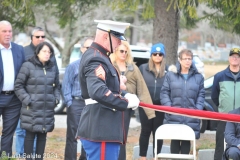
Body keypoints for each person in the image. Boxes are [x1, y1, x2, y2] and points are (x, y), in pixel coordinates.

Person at [77, 20, 140, 160]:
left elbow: (108, 88)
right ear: (106, 36)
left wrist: (126, 94)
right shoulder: (96, 59)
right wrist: (125, 102)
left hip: (104, 128)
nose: (119, 44)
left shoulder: (101, 56)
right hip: (102, 129)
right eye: (117, 39)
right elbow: (98, 92)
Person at [14, 42, 60, 160]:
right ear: (38, 52)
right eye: (44, 51)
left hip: (47, 108)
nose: (47, 54)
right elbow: (18, 85)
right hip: (32, 108)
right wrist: (28, 100)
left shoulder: (52, 67)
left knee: (42, 135)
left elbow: (56, 86)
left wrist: (55, 99)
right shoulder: (28, 66)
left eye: (49, 52)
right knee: (30, 135)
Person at [110, 40, 155, 160]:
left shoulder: (133, 68)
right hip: (110, 106)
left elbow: (142, 89)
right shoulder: (109, 65)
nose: (124, 53)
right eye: (121, 51)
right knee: (110, 137)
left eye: (126, 51)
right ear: (115, 51)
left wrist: (150, 112)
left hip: (126, 108)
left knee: (122, 137)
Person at [160, 49, 205, 155]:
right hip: (174, 115)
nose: (187, 61)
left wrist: (197, 110)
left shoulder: (198, 77)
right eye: (185, 59)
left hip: (191, 116)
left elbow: (201, 95)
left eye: (190, 59)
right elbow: (164, 92)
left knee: (186, 142)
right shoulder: (171, 75)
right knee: (175, 142)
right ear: (179, 60)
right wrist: (169, 107)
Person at [15, 26, 49, 157]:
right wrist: (26, 99)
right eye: (37, 37)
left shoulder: (48, 53)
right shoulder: (23, 52)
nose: (40, 39)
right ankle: (19, 155)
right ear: (31, 38)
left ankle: (33, 155)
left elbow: (55, 79)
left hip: (41, 104)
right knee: (21, 131)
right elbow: (19, 78)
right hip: (24, 100)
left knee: (38, 132)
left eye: (43, 36)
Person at [62, 37, 93, 160]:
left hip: (91, 104)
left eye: (93, 48)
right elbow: (66, 86)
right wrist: (69, 103)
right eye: (87, 48)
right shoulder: (73, 66)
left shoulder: (97, 67)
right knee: (73, 135)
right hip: (76, 103)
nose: (90, 50)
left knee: (89, 135)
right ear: (81, 49)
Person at [0, 20, 25, 156]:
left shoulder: (18, 49)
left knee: (8, 133)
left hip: (14, 100)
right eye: (4, 31)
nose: (8, 34)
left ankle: (5, 158)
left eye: (10, 31)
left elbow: (24, 72)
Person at [138, 43, 167, 159]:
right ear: (151, 55)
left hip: (160, 106)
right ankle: (143, 156)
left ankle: (157, 156)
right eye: (155, 54)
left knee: (158, 132)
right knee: (145, 131)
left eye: (160, 54)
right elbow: (138, 85)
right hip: (146, 105)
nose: (157, 56)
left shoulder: (168, 70)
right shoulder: (143, 68)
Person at [211, 48, 240, 160]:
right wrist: (223, 108)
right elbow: (214, 96)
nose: (235, 58)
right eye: (232, 56)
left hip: (239, 118)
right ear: (228, 58)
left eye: (237, 56)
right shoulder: (219, 76)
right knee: (220, 146)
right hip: (224, 117)